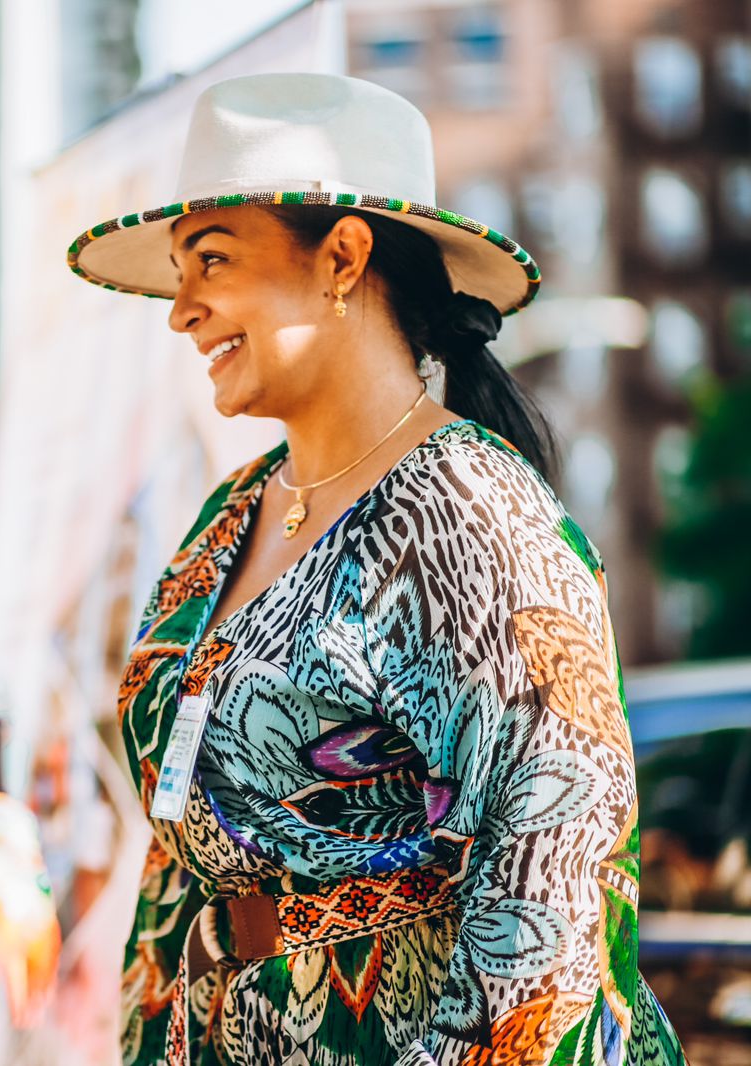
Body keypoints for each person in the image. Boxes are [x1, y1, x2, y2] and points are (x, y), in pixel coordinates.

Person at [68, 72, 688, 1064]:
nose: (181, 310)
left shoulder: (467, 512)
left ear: (343, 257)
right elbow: (186, 853)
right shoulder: (226, 517)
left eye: (211, 261)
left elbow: (554, 867)